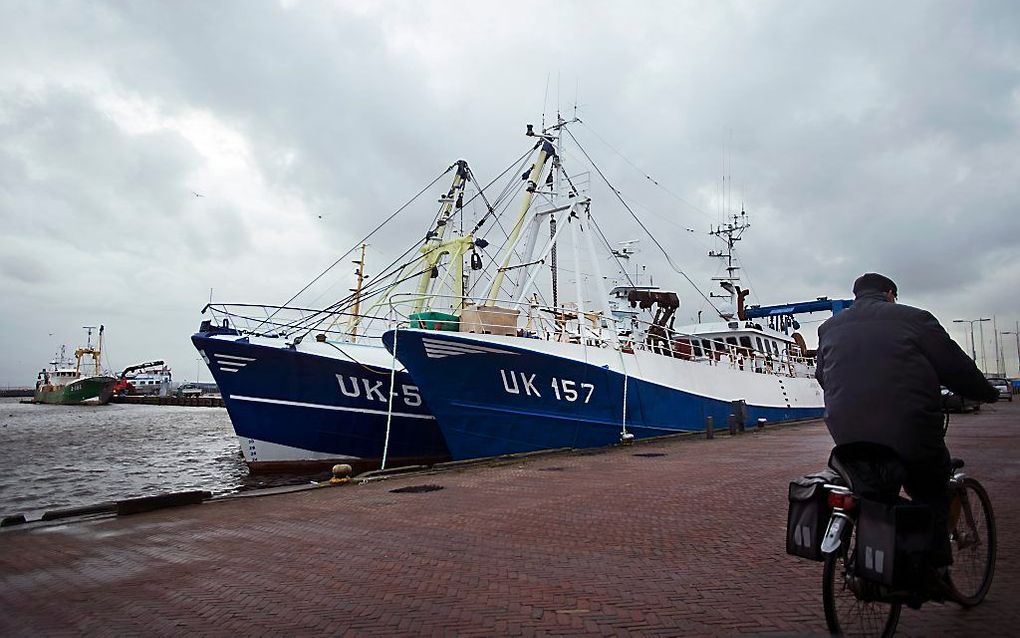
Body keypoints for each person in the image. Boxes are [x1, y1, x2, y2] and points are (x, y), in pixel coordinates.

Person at [814, 273, 998, 575]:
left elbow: (824, 376)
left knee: (872, 492)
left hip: (846, 436)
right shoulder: (915, 319)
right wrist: (986, 393)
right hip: (910, 432)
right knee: (932, 488)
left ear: (856, 296)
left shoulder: (828, 328)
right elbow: (955, 367)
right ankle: (932, 569)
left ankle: (874, 559)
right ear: (890, 294)